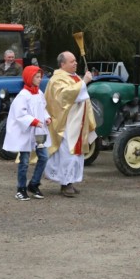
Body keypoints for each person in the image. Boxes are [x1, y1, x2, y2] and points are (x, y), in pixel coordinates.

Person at [43, 51, 97, 197]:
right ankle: (65, 184)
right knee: (68, 153)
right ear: (63, 64)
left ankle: (70, 182)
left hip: (77, 123)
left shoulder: (73, 77)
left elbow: (82, 98)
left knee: (76, 154)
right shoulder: (57, 79)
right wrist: (84, 82)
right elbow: (64, 97)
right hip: (65, 124)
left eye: (75, 61)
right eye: (72, 61)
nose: (75, 63)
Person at [2, 65, 52, 201]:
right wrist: (34, 121)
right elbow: (19, 114)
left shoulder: (39, 93)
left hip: (38, 133)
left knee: (44, 156)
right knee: (24, 161)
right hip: (27, 133)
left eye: (40, 76)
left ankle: (34, 184)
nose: (40, 79)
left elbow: (43, 108)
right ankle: (21, 188)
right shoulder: (23, 95)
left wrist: (46, 117)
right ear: (29, 78)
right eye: (36, 76)